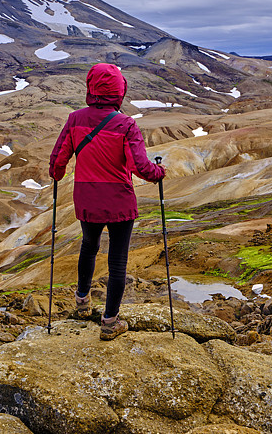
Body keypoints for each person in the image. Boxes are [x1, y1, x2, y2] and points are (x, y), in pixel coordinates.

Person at [49, 63, 166, 340]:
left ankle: (82, 303)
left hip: (86, 197)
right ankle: (110, 322)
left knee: (88, 247)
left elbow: (57, 161)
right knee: (117, 261)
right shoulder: (126, 124)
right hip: (119, 201)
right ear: (119, 90)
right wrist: (159, 172)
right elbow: (141, 166)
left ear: (91, 88)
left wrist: (57, 173)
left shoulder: (75, 119)